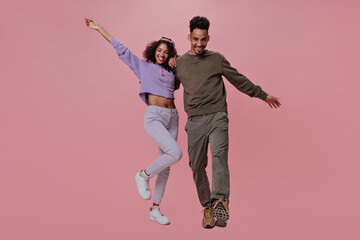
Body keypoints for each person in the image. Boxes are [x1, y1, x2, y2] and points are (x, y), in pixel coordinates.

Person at [170, 16, 281, 228]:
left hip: (217, 116)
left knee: (219, 156)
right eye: (195, 39)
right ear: (189, 37)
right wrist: (154, 75)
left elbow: (238, 80)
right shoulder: (180, 63)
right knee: (196, 165)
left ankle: (220, 201)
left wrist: (262, 95)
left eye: (203, 40)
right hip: (194, 120)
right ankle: (207, 208)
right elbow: (170, 85)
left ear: (208, 38)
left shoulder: (216, 59)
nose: (199, 44)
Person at [85, 18, 182, 225]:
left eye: (166, 52)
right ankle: (143, 175)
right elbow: (122, 50)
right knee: (175, 153)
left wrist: (179, 60)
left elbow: (183, 79)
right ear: (154, 49)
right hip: (154, 116)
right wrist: (99, 28)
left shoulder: (173, 71)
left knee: (166, 165)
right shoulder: (143, 66)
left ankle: (155, 209)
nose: (162, 54)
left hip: (173, 116)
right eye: (159, 50)